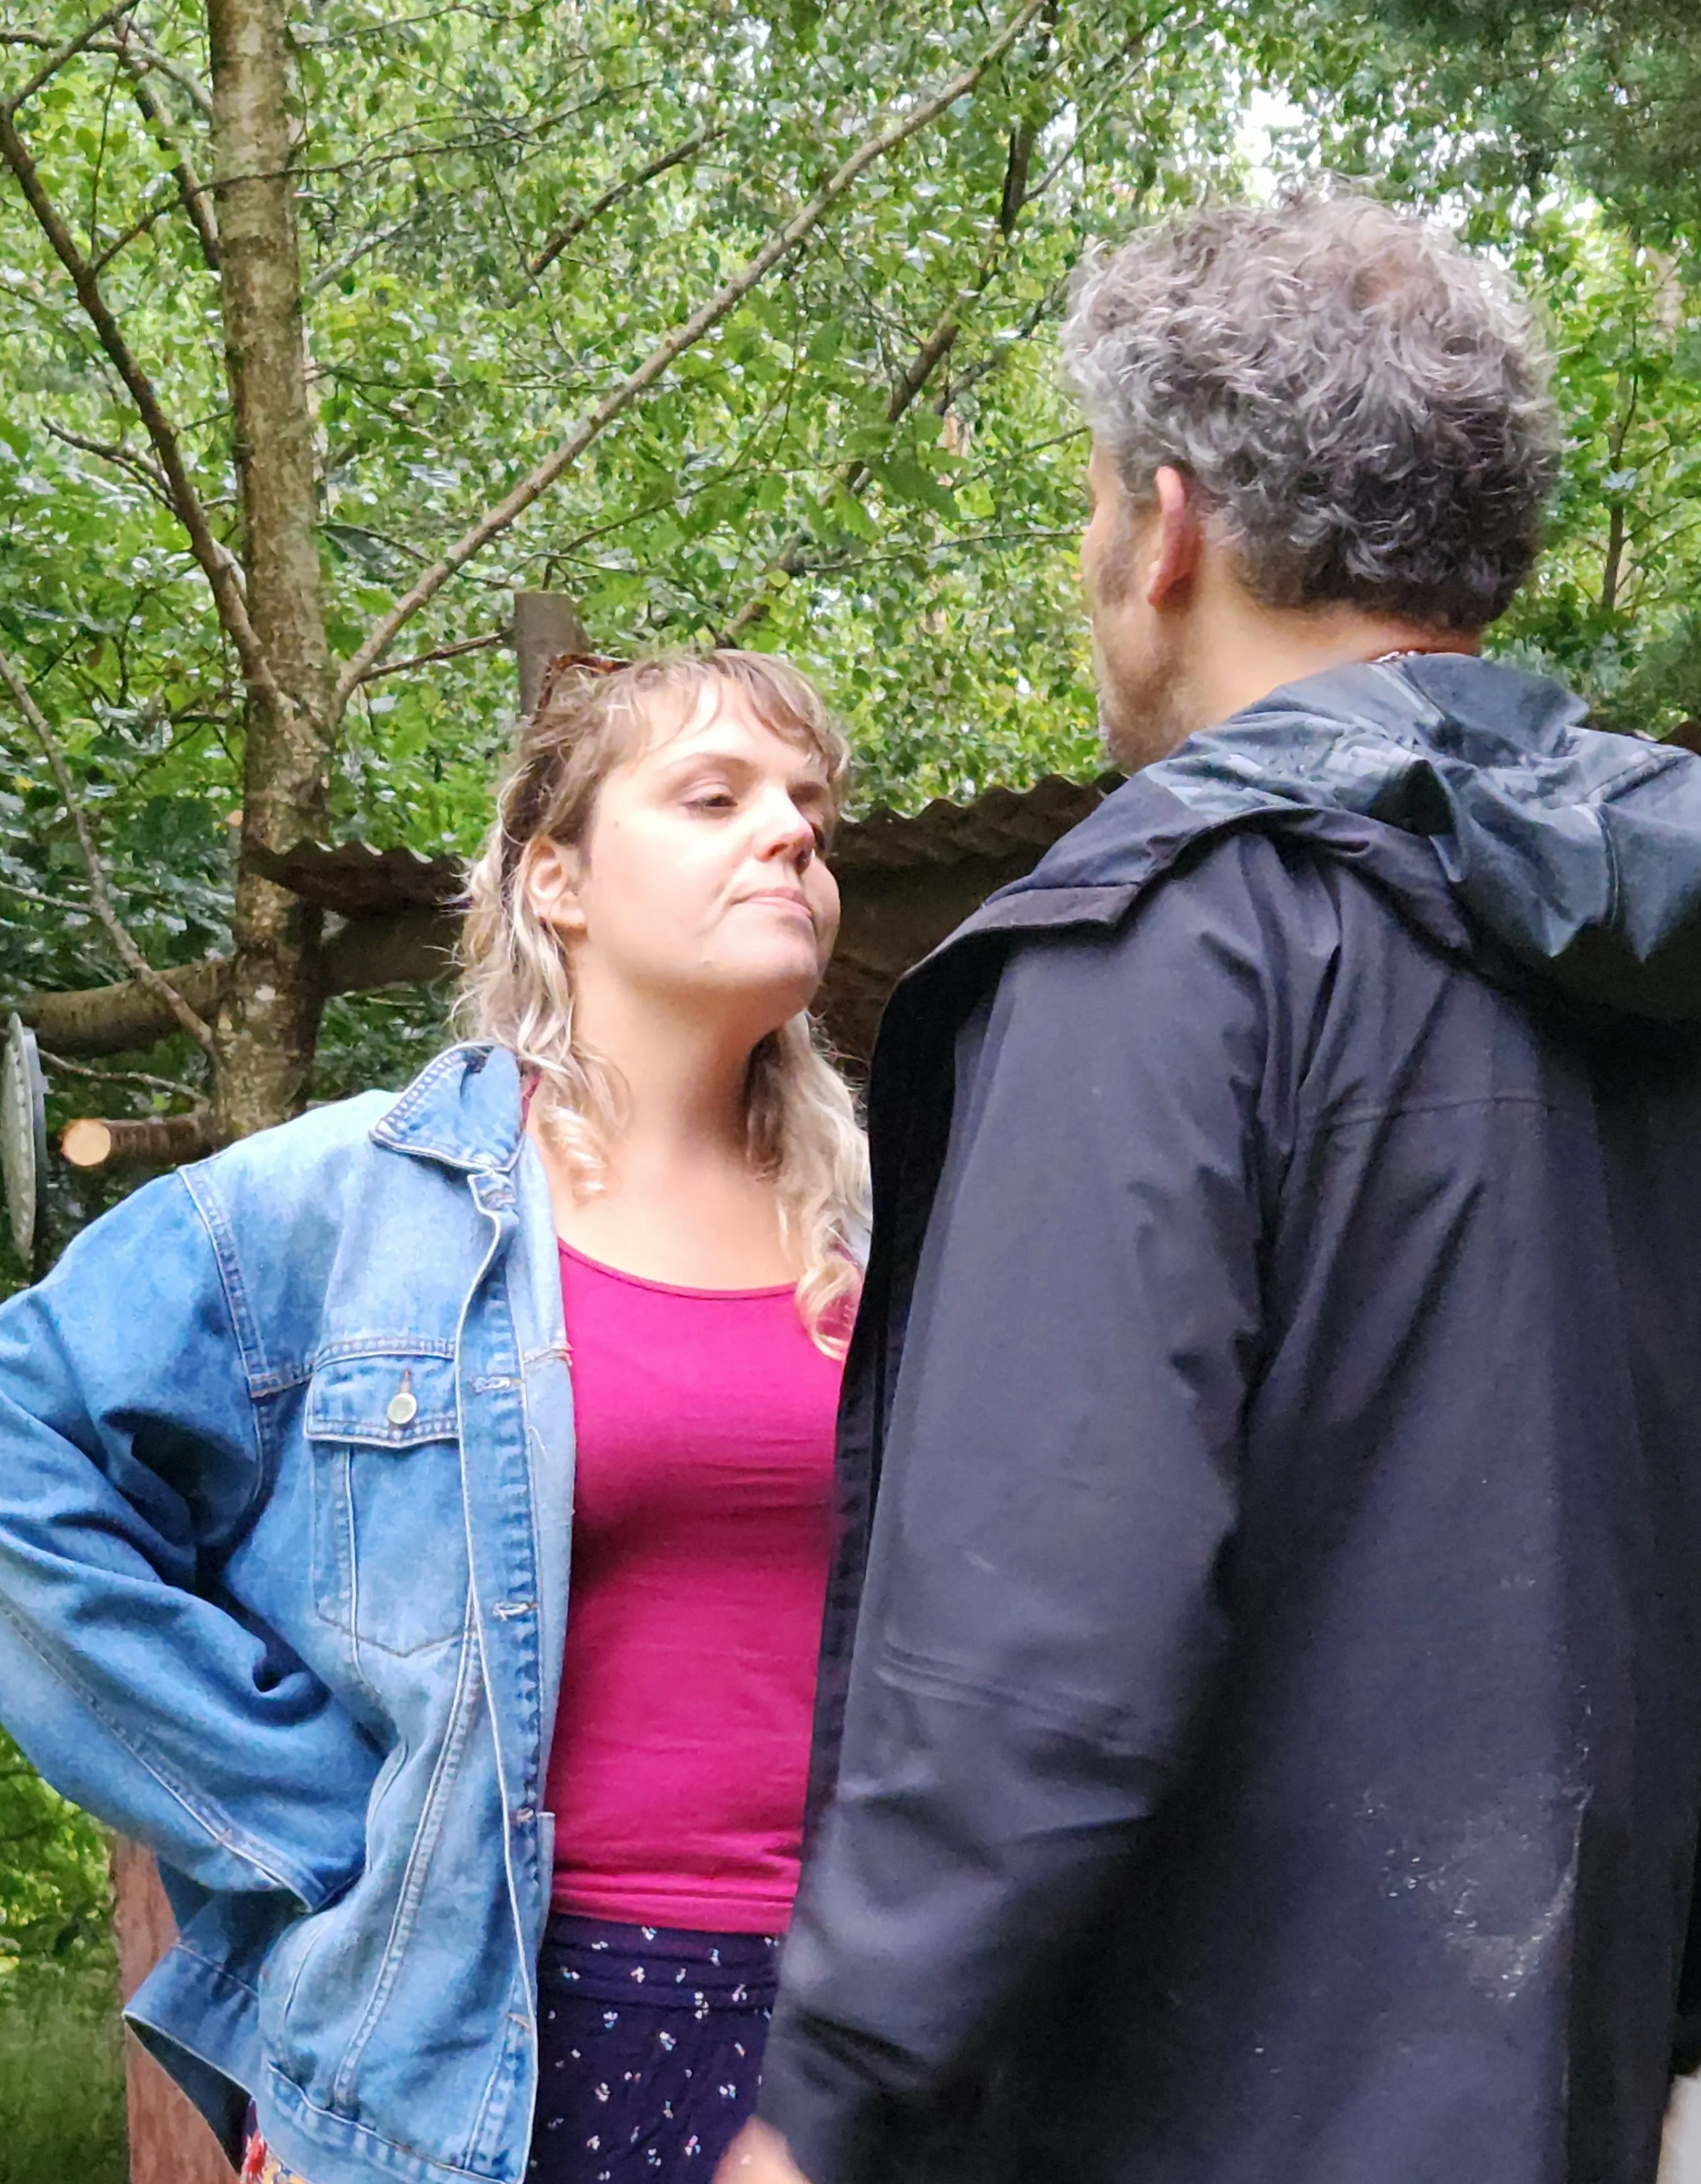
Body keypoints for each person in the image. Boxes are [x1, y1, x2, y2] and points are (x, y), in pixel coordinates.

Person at [725, 191, 1701, 2184]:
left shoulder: (1163, 947)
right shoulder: (1663, 958)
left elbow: (1029, 1665)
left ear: (1166, 526)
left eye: (1092, 509)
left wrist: (818, 2112)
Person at [0, 649, 867, 2184]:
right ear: (556, 879)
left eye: (812, 809)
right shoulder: (349, 1205)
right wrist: (342, 1845)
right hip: (468, 2034)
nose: (793, 836)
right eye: (716, 797)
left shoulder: (889, 1243)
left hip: (842, 2042)